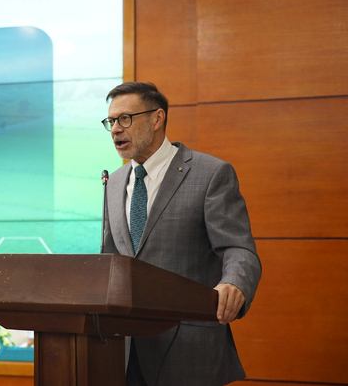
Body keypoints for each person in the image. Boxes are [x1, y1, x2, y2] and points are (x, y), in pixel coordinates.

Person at [101, 82, 262, 386]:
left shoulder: (209, 173)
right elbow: (111, 260)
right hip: (125, 351)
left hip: (189, 349)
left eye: (125, 119)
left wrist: (233, 282)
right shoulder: (114, 181)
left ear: (157, 118)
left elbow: (238, 249)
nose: (115, 130)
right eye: (111, 121)